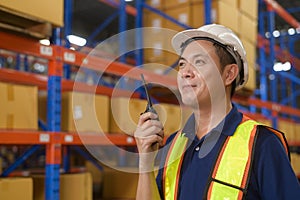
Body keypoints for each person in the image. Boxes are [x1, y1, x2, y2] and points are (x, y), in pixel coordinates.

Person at [134, 24, 300, 200]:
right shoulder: (172, 146)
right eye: (182, 64)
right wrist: (145, 162)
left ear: (229, 74)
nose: (185, 73)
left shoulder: (262, 144)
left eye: (199, 62)